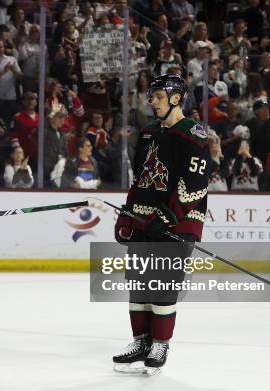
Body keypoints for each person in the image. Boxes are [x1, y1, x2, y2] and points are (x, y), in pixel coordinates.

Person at [113, 74, 210, 372]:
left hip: (178, 224)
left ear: (176, 98)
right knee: (137, 283)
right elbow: (141, 177)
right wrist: (128, 213)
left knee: (162, 284)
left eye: (157, 96)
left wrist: (168, 218)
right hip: (144, 219)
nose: (151, 101)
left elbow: (195, 184)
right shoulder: (148, 132)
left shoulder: (193, 133)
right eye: (151, 96)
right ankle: (141, 340)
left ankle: (160, 344)